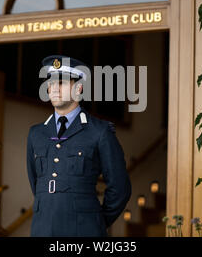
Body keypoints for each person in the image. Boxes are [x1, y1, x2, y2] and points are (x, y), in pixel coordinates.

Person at [26, 54, 131, 237]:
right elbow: (36, 182)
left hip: (84, 230)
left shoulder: (99, 132)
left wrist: (95, 220)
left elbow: (120, 187)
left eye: (62, 83)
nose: (54, 89)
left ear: (78, 88)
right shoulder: (36, 133)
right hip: (42, 229)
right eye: (50, 84)